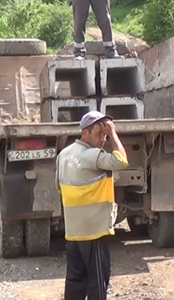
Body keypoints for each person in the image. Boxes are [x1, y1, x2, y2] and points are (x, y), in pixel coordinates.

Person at [56, 111, 129, 300]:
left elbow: (59, 187)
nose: (103, 139)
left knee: (75, 280)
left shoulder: (63, 155)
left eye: (105, 135)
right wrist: (114, 134)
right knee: (97, 282)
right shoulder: (93, 156)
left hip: (73, 232)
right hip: (94, 231)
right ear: (85, 133)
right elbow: (122, 161)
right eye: (99, 134)